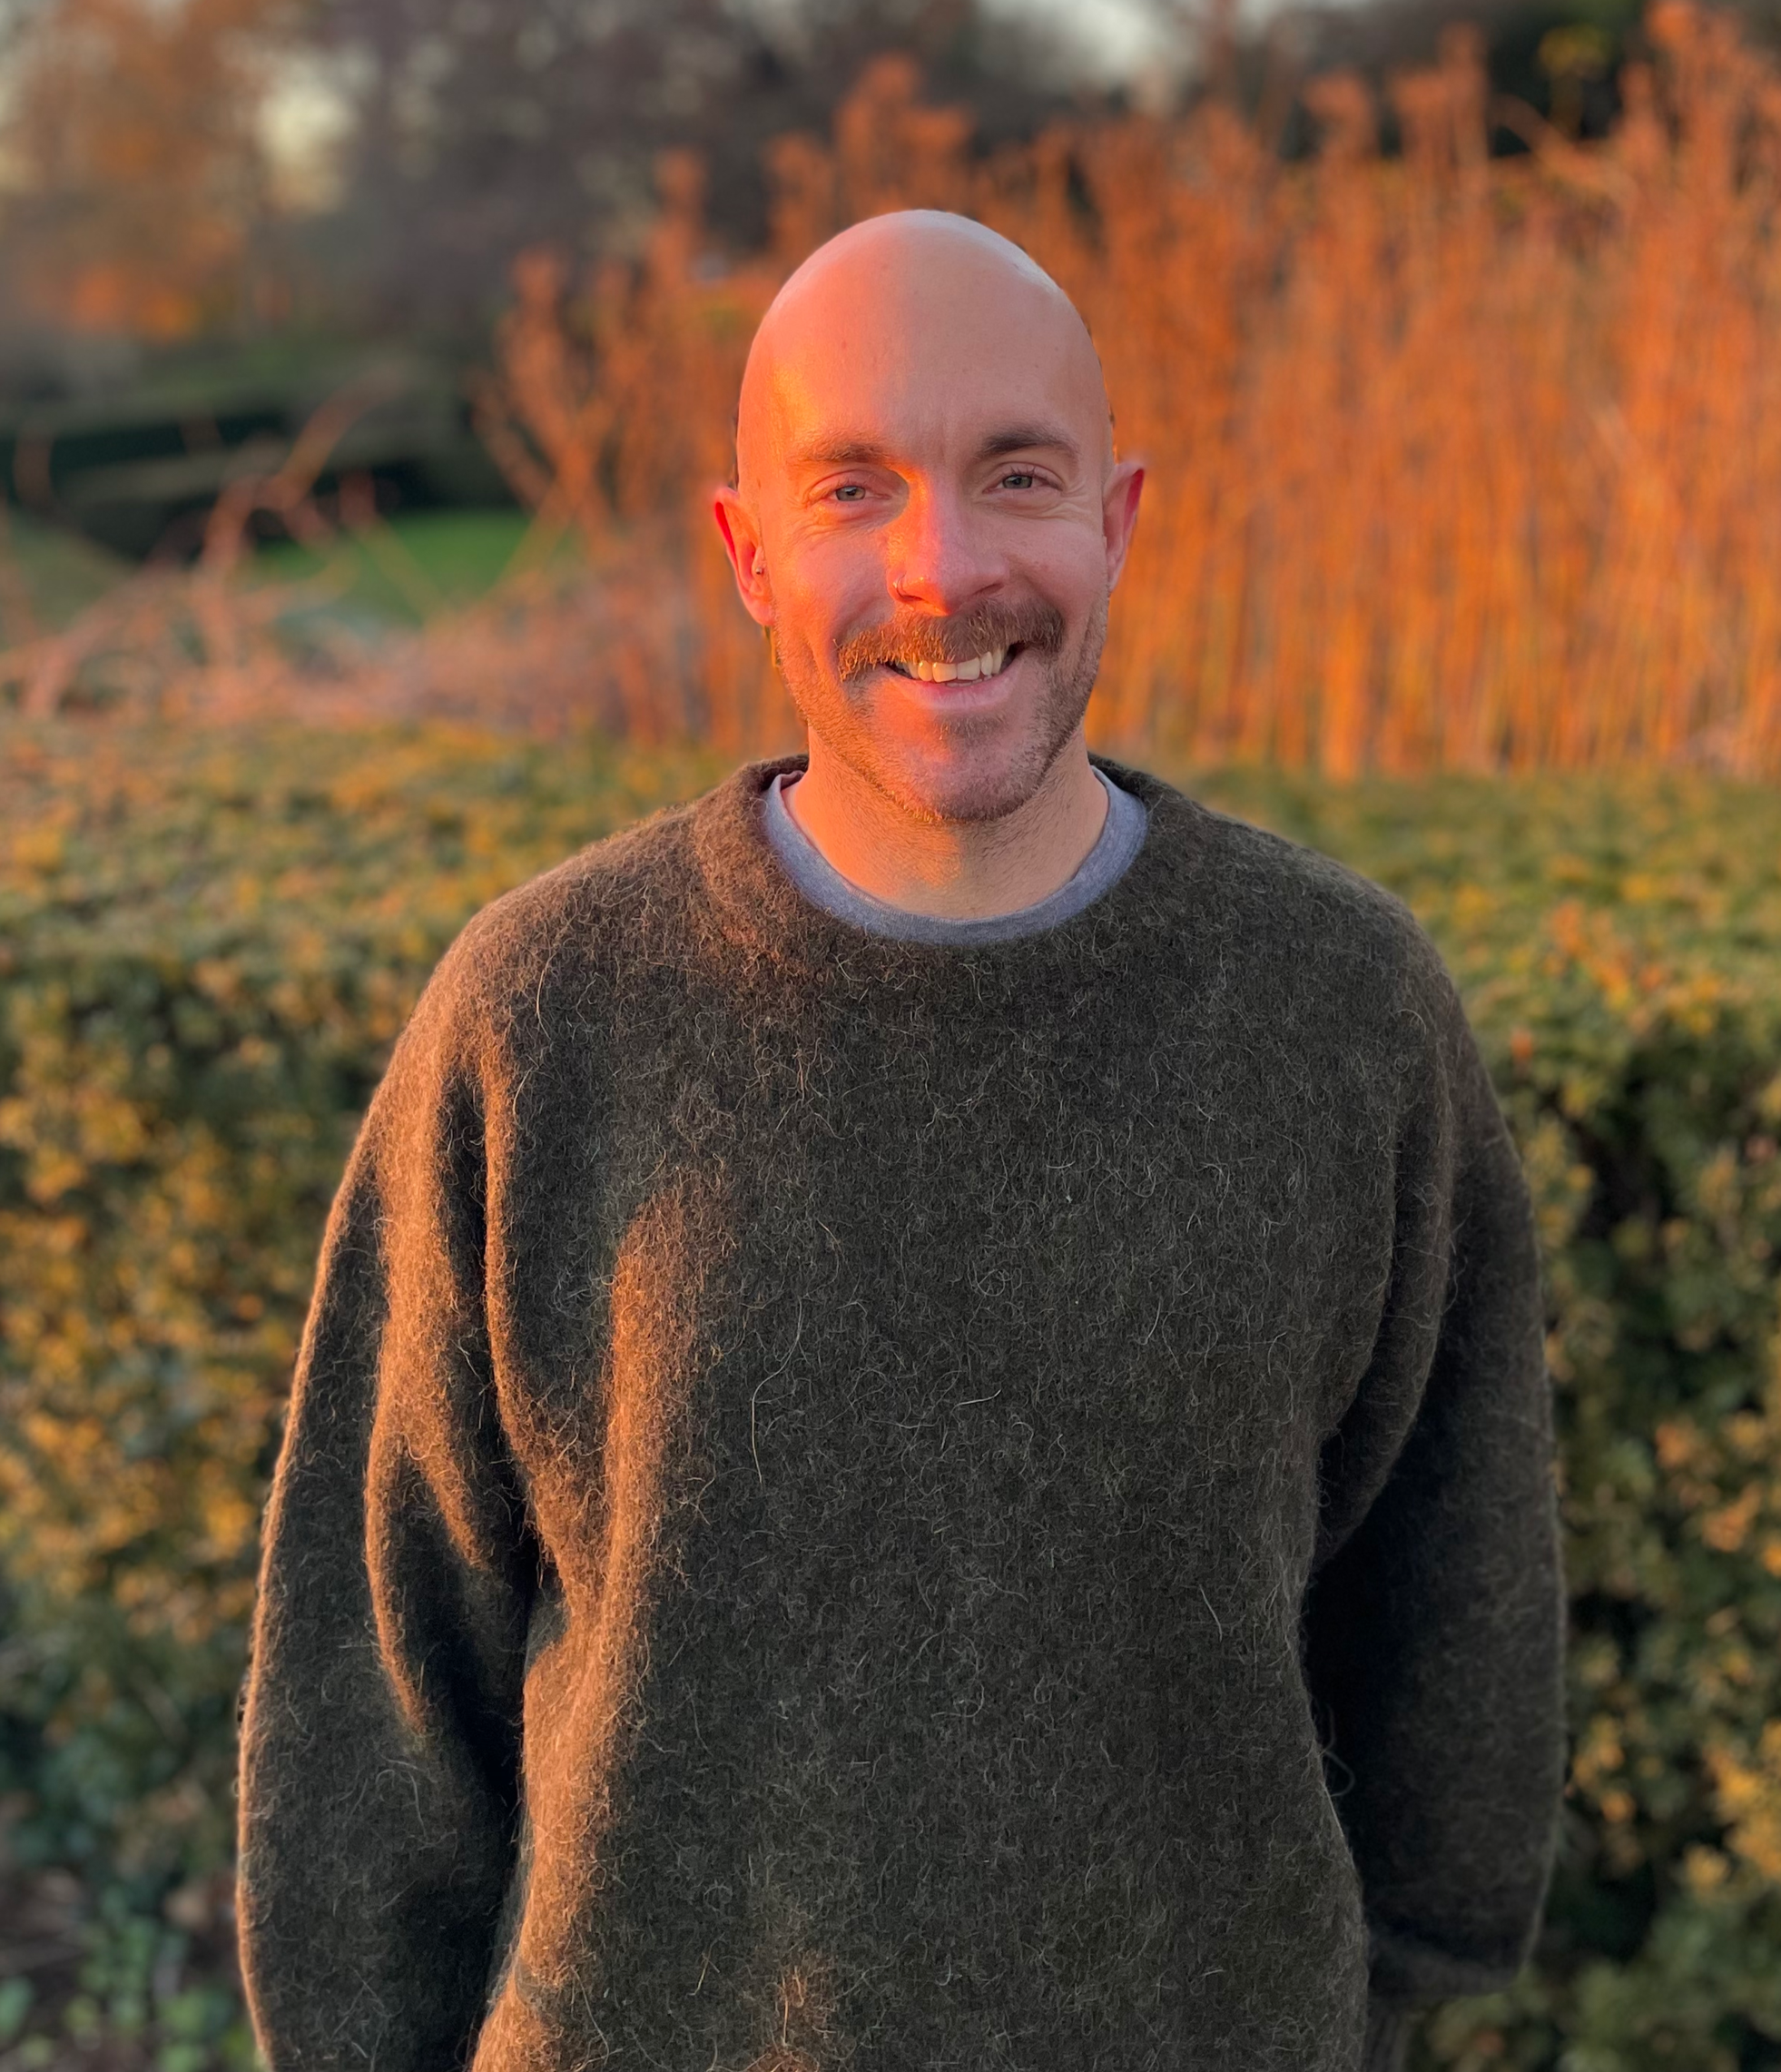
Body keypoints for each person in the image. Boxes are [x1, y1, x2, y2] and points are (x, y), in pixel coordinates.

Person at [236, 211, 1565, 2072]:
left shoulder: (1340, 1011)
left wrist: (1396, 1982)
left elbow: (1453, 1581)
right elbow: (382, 1674)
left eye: (1014, 475)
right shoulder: (538, 1016)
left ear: (1119, 519)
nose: (945, 567)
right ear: (747, 553)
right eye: (852, 488)